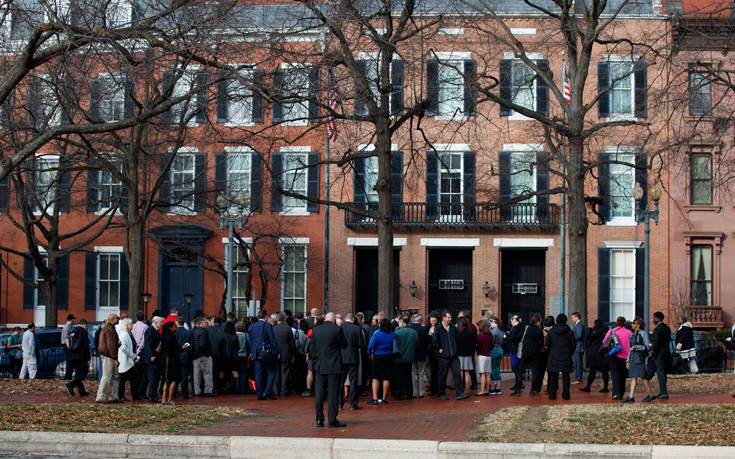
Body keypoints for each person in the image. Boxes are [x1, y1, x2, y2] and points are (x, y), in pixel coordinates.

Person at [309, 312, 347, 428]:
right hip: (333, 365)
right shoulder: (337, 329)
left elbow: (311, 348)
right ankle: (332, 419)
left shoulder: (316, 330)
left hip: (320, 365)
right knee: (333, 394)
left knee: (319, 394)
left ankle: (319, 419)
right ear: (334, 320)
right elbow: (344, 344)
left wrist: (317, 358)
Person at [432, 311, 469, 401]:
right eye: (448, 317)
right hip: (443, 356)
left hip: (454, 355)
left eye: (451, 317)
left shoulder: (452, 327)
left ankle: (460, 393)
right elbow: (435, 340)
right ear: (443, 318)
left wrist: (456, 349)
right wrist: (440, 348)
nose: (450, 319)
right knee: (442, 375)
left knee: (457, 373)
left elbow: (457, 339)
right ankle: (441, 394)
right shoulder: (438, 328)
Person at [249, 309, 281, 400]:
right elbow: (272, 340)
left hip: (256, 353)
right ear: (265, 316)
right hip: (266, 352)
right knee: (272, 372)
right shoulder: (268, 325)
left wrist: (252, 353)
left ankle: (259, 395)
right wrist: (276, 352)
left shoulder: (252, 326)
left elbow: (250, 341)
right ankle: (267, 391)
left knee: (258, 374)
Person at [623, 317, 655, 403]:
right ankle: (631, 396)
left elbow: (647, 347)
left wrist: (636, 347)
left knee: (643, 376)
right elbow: (630, 348)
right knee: (633, 377)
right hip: (633, 358)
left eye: (634, 323)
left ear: (638, 325)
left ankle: (650, 394)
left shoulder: (643, 334)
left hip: (640, 358)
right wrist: (628, 360)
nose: (632, 325)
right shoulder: (633, 334)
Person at [545, 313, 575, 400]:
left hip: (553, 356)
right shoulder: (569, 332)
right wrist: (569, 353)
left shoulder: (551, 332)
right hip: (566, 356)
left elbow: (547, 343)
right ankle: (566, 395)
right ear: (565, 321)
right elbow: (573, 345)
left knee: (553, 376)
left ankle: (552, 395)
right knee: (566, 376)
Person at [367, 318, 396, 405]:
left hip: (378, 357)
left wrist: (369, 353)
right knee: (386, 377)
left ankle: (375, 398)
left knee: (375, 378)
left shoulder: (377, 334)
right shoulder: (393, 335)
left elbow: (370, 346)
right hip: (389, 357)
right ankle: (383, 398)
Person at [604, 316, 633, 401]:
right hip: (625, 357)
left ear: (616, 322)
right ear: (625, 323)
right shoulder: (629, 333)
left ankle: (615, 393)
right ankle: (621, 393)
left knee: (615, 375)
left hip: (614, 355)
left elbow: (604, 342)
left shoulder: (611, 331)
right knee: (623, 376)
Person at [161, 321, 189, 405]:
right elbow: (175, 350)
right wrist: (183, 348)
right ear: (170, 328)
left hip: (165, 360)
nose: (176, 328)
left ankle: (163, 399)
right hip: (172, 361)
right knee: (174, 380)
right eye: (174, 327)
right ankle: (169, 399)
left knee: (166, 380)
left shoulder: (164, 337)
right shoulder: (172, 337)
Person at [340, 312, 364, 409]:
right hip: (353, 357)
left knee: (341, 381)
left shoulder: (340, 328)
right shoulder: (357, 329)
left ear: (345, 318)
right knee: (353, 381)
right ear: (353, 319)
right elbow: (361, 344)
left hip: (341, 357)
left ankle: (339, 404)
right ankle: (353, 403)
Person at [96, 313, 121, 403]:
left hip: (108, 354)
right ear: (113, 319)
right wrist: (115, 358)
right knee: (107, 377)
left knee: (113, 376)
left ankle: (113, 396)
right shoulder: (110, 330)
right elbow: (111, 346)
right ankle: (100, 397)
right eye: (117, 318)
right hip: (109, 356)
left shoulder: (107, 328)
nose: (118, 320)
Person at [580, 319, 610, 393]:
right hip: (602, 354)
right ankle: (605, 387)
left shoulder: (592, 332)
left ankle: (588, 387)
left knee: (592, 372)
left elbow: (590, 336)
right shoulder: (604, 331)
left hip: (594, 354)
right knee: (604, 372)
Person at [394, 315, 418, 400]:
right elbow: (416, 344)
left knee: (399, 377)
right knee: (408, 377)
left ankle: (401, 394)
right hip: (409, 358)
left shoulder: (397, 332)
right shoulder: (414, 332)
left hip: (399, 358)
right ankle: (409, 394)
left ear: (402, 322)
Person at [519, 315, 544, 396]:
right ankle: (533, 389)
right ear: (538, 321)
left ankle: (518, 388)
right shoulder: (539, 330)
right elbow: (541, 343)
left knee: (521, 370)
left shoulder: (527, 328)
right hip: (535, 352)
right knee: (535, 372)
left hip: (526, 351)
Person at [65, 319, 91, 397]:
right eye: (87, 327)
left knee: (78, 374)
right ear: (85, 325)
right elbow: (86, 347)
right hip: (81, 356)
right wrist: (88, 358)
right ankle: (71, 384)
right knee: (83, 373)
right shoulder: (83, 332)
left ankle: (82, 391)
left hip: (73, 355)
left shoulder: (73, 331)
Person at [273, 313, 297, 397]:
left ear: (277, 319)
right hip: (286, 353)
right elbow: (292, 343)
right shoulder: (288, 329)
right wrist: (293, 354)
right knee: (285, 372)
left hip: (276, 353)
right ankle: (284, 390)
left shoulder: (273, 328)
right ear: (284, 319)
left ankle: (276, 391)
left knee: (276, 372)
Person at [117, 317, 139, 401]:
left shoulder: (129, 334)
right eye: (131, 324)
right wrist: (133, 355)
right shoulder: (124, 335)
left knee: (132, 379)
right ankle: (121, 395)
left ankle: (135, 395)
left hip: (130, 361)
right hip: (125, 360)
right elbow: (123, 347)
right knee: (123, 379)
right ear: (126, 325)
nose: (132, 325)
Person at [651, 311, 672, 400]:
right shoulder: (667, 328)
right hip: (666, 353)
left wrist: (653, 353)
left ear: (658, 318)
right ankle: (663, 391)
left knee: (660, 373)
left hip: (659, 354)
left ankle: (663, 392)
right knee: (663, 373)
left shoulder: (657, 330)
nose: (653, 320)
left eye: (654, 318)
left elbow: (656, 343)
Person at [142, 316, 163, 403]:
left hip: (155, 356)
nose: (161, 324)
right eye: (160, 323)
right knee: (153, 377)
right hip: (151, 357)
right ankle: (152, 395)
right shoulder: (150, 330)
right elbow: (148, 343)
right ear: (156, 322)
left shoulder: (154, 331)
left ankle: (154, 394)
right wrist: (151, 355)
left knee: (155, 377)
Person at [191, 317, 214, 397]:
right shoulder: (203, 332)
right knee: (207, 374)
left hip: (195, 356)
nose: (208, 324)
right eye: (206, 323)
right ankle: (208, 390)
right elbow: (202, 344)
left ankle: (197, 391)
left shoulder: (194, 332)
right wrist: (207, 353)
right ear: (203, 324)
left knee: (196, 375)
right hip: (203, 356)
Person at [409, 314, 429, 399]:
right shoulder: (423, 329)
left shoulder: (409, 328)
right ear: (420, 320)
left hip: (412, 354)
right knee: (420, 373)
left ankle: (413, 392)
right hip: (421, 354)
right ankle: (421, 392)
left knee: (413, 373)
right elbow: (427, 341)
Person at [455, 316, 476, 395]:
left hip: (459, 354)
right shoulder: (470, 332)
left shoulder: (457, 332)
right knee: (467, 373)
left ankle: (460, 390)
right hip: (468, 355)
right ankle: (466, 390)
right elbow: (473, 344)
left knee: (460, 372)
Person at [175, 316, 193, 398]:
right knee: (184, 375)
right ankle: (184, 393)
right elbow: (190, 345)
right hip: (185, 355)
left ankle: (174, 391)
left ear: (176, 322)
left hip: (176, 355)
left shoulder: (175, 332)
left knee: (175, 375)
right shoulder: (188, 333)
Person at [131, 312, 148, 400]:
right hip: (140, 351)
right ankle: (141, 391)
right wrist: (139, 350)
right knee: (142, 373)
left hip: (134, 349)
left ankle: (136, 390)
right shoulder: (145, 327)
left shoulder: (133, 326)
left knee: (136, 372)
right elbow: (143, 341)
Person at [507, 315, 524, 394]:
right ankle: (518, 385)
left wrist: (506, 336)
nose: (511, 321)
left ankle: (518, 387)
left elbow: (511, 338)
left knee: (515, 369)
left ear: (515, 320)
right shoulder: (519, 327)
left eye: (512, 319)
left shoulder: (516, 328)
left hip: (515, 349)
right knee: (517, 369)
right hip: (516, 349)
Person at [475, 320, 494, 396]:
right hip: (488, 356)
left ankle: (482, 391)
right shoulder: (491, 335)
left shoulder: (480, 336)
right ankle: (487, 391)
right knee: (488, 374)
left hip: (481, 356)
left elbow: (478, 346)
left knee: (482, 374)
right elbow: (491, 346)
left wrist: (476, 349)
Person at [222, 320, 240, 394]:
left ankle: (222, 388)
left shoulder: (224, 335)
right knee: (235, 372)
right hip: (234, 356)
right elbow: (237, 347)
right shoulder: (235, 336)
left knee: (222, 372)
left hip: (225, 356)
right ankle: (236, 389)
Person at [489, 318, 504, 395]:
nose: (490, 324)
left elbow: (491, 342)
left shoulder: (494, 330)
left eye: (490, 322)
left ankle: (492, 388)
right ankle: (498, 388)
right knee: (497, 369)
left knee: (493, 369)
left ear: (494, 323)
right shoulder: (501, 330)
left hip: (494, 350)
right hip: (500, 350)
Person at [427, 313, 440, 395]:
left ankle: (438, 389)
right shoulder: (427, 328)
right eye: (432, 321)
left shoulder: (439, 328)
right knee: (432, 371)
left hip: (437, 352)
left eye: (435, 320)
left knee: (438, 371)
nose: (433, 322)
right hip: (430, 352)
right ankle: (432, 389)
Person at [235, 320, 250, 395]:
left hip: (235, 356)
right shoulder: (246, 335)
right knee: (243, 373)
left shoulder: (234, 335)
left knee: (236, 373)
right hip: (243, 355)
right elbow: (249, 345)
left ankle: (236, 388)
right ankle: (243, 389)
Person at [571, 312, 585, 385]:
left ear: (577, 317)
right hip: (578, 347)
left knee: (578, 364)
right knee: (577, 363)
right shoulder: (578, 325)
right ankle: (578, 378)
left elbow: (579, 336)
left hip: (578, 347)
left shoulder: (579, 325)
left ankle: (579, 379)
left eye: (573, 317)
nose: (572, 319)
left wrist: (572, 338)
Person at [61, 314, 75, 380]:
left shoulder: (68, 326)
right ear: (71, 319)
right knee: (69, 361)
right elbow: (66, 337)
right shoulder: (67, 327)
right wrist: (69, 346)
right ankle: (67, 376)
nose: (74, 321)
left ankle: (68, 375)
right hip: (67, 345)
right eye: (73, 319)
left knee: (70, 361)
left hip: (67, 345)